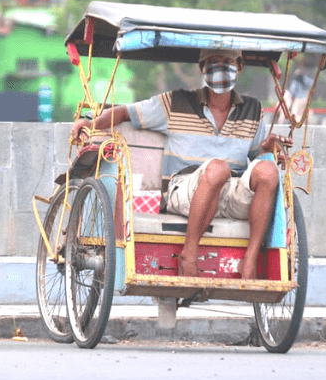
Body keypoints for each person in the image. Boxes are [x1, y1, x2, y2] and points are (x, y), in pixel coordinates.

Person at [71, 48, 289, 280]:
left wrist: (270, 148)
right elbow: (126, 113)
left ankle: (251, 259)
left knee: (267, 171)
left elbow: (256, 156)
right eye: (214, 62)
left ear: (240, 65)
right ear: (203, 68)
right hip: (184, 189)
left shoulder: (253, 110)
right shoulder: (175, 102)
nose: (221, 68)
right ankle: (189, 253)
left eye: (228, 62)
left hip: (231, 189)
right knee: (218, 169)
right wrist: (91, 122)